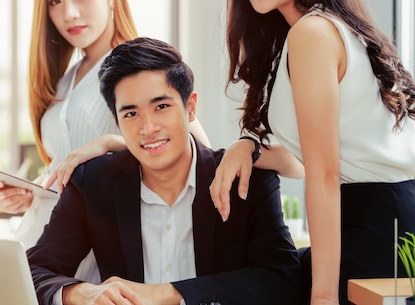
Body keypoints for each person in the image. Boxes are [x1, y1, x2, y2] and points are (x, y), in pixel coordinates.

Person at [209, 0, 415, 304]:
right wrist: (247, 146)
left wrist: (323, 296)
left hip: (374, 226)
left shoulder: (312, 34)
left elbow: (323, 175)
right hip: (383, 218)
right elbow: (301, 161)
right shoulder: (313, 30)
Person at [0, 0, 211, 282]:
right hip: (44, 253)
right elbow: (70, 165)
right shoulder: (66, 80)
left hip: (95, 258)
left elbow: (198, 150)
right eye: (55, 1)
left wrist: (111, 142)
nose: (70, 14)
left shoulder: (136, 74)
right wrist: (32, 189)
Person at [27, 37, 300, 305]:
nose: (148, 128)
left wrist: (168, 293)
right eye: (131, 114)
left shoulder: (245, 180)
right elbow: (34, 271)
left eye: (161, 106)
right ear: (117, 121)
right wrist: (82, 293)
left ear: (190, 107)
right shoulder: (92, 183)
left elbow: (281, 280)